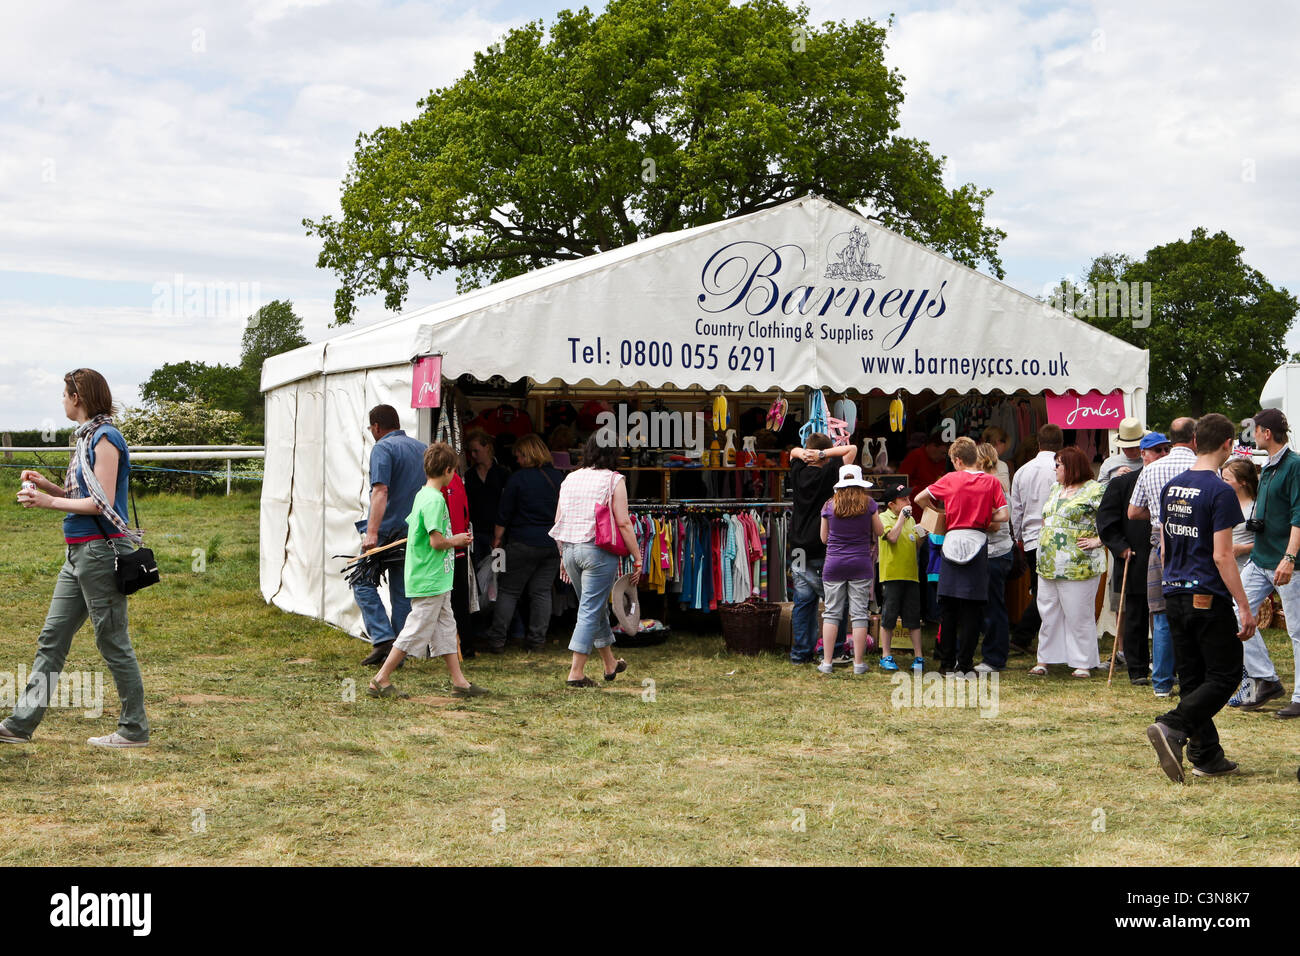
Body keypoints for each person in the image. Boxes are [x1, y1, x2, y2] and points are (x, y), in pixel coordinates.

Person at [1, 369, 149, 747]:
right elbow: (83, 491)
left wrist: (49, 501)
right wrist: (49, 486)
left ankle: (134, 730)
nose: (62, 401)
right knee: (52, 638)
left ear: (77, 397)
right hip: (78, 554)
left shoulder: (105, 437)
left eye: (64, 394)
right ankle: (19, 725)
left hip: (100, 552)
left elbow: (99, 503)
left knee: (112, 639)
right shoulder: (87, 437)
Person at [1145, 414, 1256, 782]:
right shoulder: (1220, 491)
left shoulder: (1173, 486)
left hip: (1173, 591)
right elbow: (1222, 555)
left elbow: (1164, 546)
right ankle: (1173, 726)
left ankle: (1205, 754)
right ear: (1227, 444)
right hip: (1205, 593)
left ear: (1194, 441)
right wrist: (1243, 604)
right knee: (1226, 675)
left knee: (1194, 677)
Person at [369, 443, 487, 699]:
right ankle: (381, 678)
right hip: (429, 577)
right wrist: (457, 540)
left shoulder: (422, 494)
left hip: (437, 577)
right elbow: (436, 541)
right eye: (454, 471)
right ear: (447, 470)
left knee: (446, 626)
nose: (454, 475)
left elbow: (417, 530)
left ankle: (460, 682)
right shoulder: (435, 500)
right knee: (416, 628)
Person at [549, 435, 639, 687]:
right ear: (614, 454)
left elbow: (559, 519)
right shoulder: (614, 479)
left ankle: (610, 664)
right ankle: (576, 673)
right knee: (590, 609)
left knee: (594, 607)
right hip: (597, 552)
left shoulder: (570, 478)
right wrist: (638, 556)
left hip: (570, 549)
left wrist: (562, 557)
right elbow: (623, 522)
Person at [914, 436, 1009, 675]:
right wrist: (984, 518)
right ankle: (965, 664)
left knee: (948, 608)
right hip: (977, 540)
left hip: (952, 539)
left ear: (957, 460)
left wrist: (942, 514)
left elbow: (919, 499)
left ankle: (946, 663)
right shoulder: (991, 482)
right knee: (972, 609)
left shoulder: (949, 479)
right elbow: (1004, 515)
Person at [1229, 408, 1299, 715]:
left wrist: (1290, 557)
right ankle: (1266, 678)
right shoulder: (1269, 466)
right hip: (1260, 558)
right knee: (1238, 610)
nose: (1252, 434)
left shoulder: (1294, 465)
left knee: (1297, 630)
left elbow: (1299, 515)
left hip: (1286, 563)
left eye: (1254, 430)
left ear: (1266, 433)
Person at [1129, 419, 1198, 697]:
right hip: (1196, 539)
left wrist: (1160, 514)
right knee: (1197, 608)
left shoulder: (1150, 469)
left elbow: (1134, 512)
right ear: (1194, 438)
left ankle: (1161, 684)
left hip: (1161, 539)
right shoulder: (1203, 467)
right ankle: (1193, 676)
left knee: (1161, 613)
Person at [356, 405, 428, 667]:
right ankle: (398, 651)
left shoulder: (383, 449)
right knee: (401, 592)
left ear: (376, 427)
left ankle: (383, 638)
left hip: (386, 531)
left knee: (361, 581)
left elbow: (381, 491)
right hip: (414, 532)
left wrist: (372, 532)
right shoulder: (421, 449)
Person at [1029, 445, 1105, 677]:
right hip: (1048, 562)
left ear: (1071, 466)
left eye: (1058, 465)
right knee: (1048, 610)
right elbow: (1046, 517)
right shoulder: (1055, 488)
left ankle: (1083, 661)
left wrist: (1098, 541)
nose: (1055, 469)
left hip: (1078, 563)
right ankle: (1045, 659)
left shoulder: (1094, 490)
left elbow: (1112, 519)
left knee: (1078, 613)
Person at [484, 434, 564, 652]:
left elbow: (504, 513)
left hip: (522, 543)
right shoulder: (558, 478)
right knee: (541, 592)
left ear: (527, 455)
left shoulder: (517, 479)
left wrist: (497, 539)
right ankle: (537, 641)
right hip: (551, 545)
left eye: (518, 455)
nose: (516, 460)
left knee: (509, 591)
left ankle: (497, 640)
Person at [786, 434, 858, 664]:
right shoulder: (830, 473)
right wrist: (824, 454)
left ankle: (800, 652)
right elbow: (852, 450)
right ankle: (835, 650)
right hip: (821, 546)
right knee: (835, 600)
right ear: (824, 456)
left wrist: (803, 453)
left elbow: (792, 452)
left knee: (802, 601)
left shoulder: (797, 471)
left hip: (797, 545)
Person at [816, 465, 884, 676]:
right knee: (859, 615)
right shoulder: (869, 504)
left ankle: (827, 662)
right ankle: (858, 663)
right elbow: (880, 531)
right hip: (860, 564)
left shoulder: (829, 505)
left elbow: (824, 539)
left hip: (834, 564)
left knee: (832, 613)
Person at [1009, 424, 1066, 654]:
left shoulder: (1023, 471)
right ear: (1060, 443)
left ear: (1038, 443)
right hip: (1059, 537)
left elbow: (1016, 509)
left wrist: (1016, 538)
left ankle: (1028, 637)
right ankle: (1023, 636)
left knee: (1041, 589)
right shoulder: (1062, 468)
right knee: (1049, 591)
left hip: (1032, 538)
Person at [1096, 458, 1153, 685]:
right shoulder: (1122, 483)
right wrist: (1120, 548)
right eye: (1156, 450)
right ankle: (1137, 669)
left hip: (1166, 558)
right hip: (1133, 556)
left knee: (1167, 616)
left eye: (1164, 450)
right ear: (1144, 454)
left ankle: (1169, 668)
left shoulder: (1175, 480)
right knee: (1135, 615)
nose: (1161, 454)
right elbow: (1106, 520)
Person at [1220, 457, 1260, 707]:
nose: (1222, 482)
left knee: (1240, 621)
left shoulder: (1256, 507)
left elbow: (1265, 544)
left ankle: (1251, 680)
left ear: (1243, 482)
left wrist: (1240, 548)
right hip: (1223, 568)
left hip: (1246, 570)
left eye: (1227, 479)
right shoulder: (1224, 501)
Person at [901, 432, 950, 624]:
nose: (942, 458)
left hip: (933, 523)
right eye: (940, 453)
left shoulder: (940, 463)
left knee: (931, 568)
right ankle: (922, 613)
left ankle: (932, 614)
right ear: (931, 446)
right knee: (920, 567)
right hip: (916, 519)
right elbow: (902, 481)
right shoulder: (916, 457)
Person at [975, 442, 1015, 672]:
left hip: (994, 553)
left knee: (993, 607)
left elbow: (996, 526)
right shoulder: (996, 484)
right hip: (994, 552)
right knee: (989, 605)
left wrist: (968, 520)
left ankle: (994, 657)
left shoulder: (993, 486)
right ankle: (992, 653)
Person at [877, 484, 925, 672]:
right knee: (888, 617)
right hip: (891, 575)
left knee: (913, 618)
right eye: (903, 499)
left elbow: (915, 546)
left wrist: (922, 535)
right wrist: (902, 519)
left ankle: (919, 656)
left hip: (911, 575)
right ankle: (886, 655)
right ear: (891, 504)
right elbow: (892, 537)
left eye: (908, 498)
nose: (908, 502)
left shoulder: (911, 519)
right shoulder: (883, 517)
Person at [1098, 417, 1146, 484]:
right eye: (1130, 448)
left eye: (1138, 446)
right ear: (1122, 446)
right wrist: (1116, 479)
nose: (1135, 451)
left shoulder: (1150, 462)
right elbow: (1100, 491)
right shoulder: (1109, 463)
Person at [980, 427, 1012, 495]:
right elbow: (1005, 495)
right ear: (998, 442)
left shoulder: (973, 463)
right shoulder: (1001, 465)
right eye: (1005, 443)